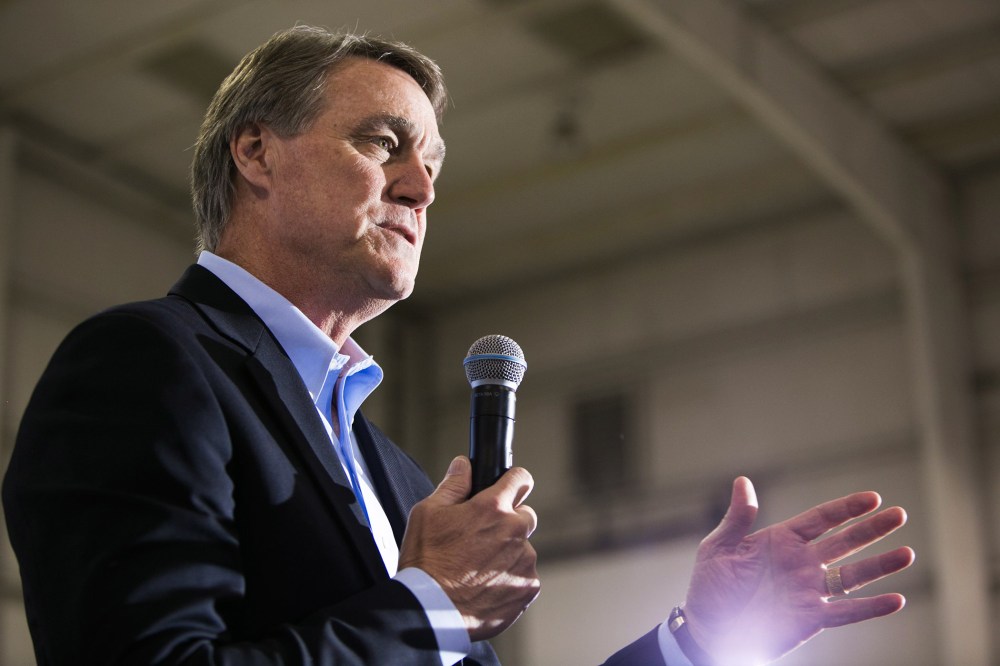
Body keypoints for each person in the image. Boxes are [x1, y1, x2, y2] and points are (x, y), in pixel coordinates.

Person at [2, 25, 914, 666]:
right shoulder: (145, 364)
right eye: (383, 143)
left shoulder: (399, 480)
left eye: (432, 165)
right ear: (256, 153)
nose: (421, 189)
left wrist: (697, 640)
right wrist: (429, 605)